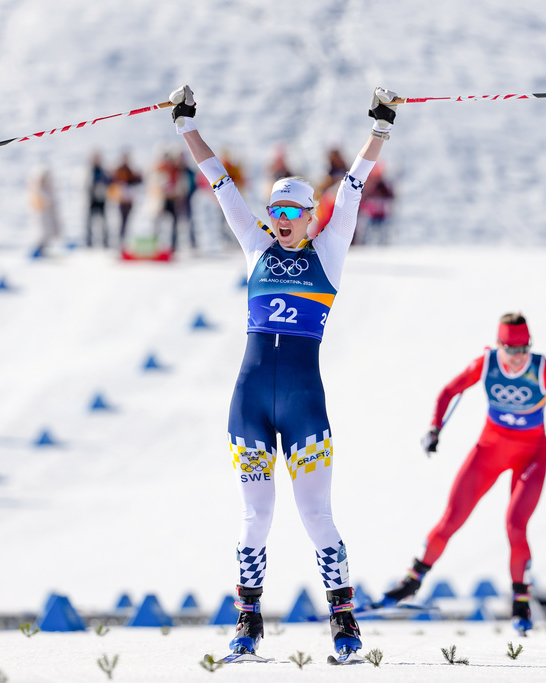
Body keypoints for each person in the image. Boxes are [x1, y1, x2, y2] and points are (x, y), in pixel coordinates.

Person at [169, 83, 399, 659]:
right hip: (248, 401)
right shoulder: (255, 246)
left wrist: (379, 130)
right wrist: (184, 127)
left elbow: (351, 191)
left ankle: (344, 625)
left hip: (303, 405)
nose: (282, 220)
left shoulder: (328, 252)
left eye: (294, 211)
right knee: (255, 517)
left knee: (316, 514)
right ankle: (247, 625)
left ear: (310, 215)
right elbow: (220, 186)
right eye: (275, 212)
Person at [376, 313, 546, 634]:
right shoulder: (485, 365)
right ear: (498, 345)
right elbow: (448, 392)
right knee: (451, 519)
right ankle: (412, 581)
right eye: (511, 351)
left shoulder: (542, 369)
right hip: (488, 452)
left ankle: (521, 604)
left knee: (515, 525)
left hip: (531, 457)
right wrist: (434, 429)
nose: (517, 359)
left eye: (523, 350)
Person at [27, 166, 61, 258]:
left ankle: (44, 251)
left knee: (48, 236)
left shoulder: (48, 189)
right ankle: (38, 252)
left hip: (48, 217)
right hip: (41, 217)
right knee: (41, 235)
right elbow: (38, 203)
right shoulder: (36, 190)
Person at [110, 151, 143, 247]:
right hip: (121, 200)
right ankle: (119, 242)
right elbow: (112, 181)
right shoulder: (119, 170)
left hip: (129, 200)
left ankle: (125, 241)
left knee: (127, 221)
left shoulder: (130, 170)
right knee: (120, 222)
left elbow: (138, 181)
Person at [84, 151, 112, 248]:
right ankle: (89, 243)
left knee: (103, 222)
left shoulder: (103, 171)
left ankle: (105, 243)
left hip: (101, 199)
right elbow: (84, 184)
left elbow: (109, 181)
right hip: (91, 200)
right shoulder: (88, 170)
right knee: (89, 223)